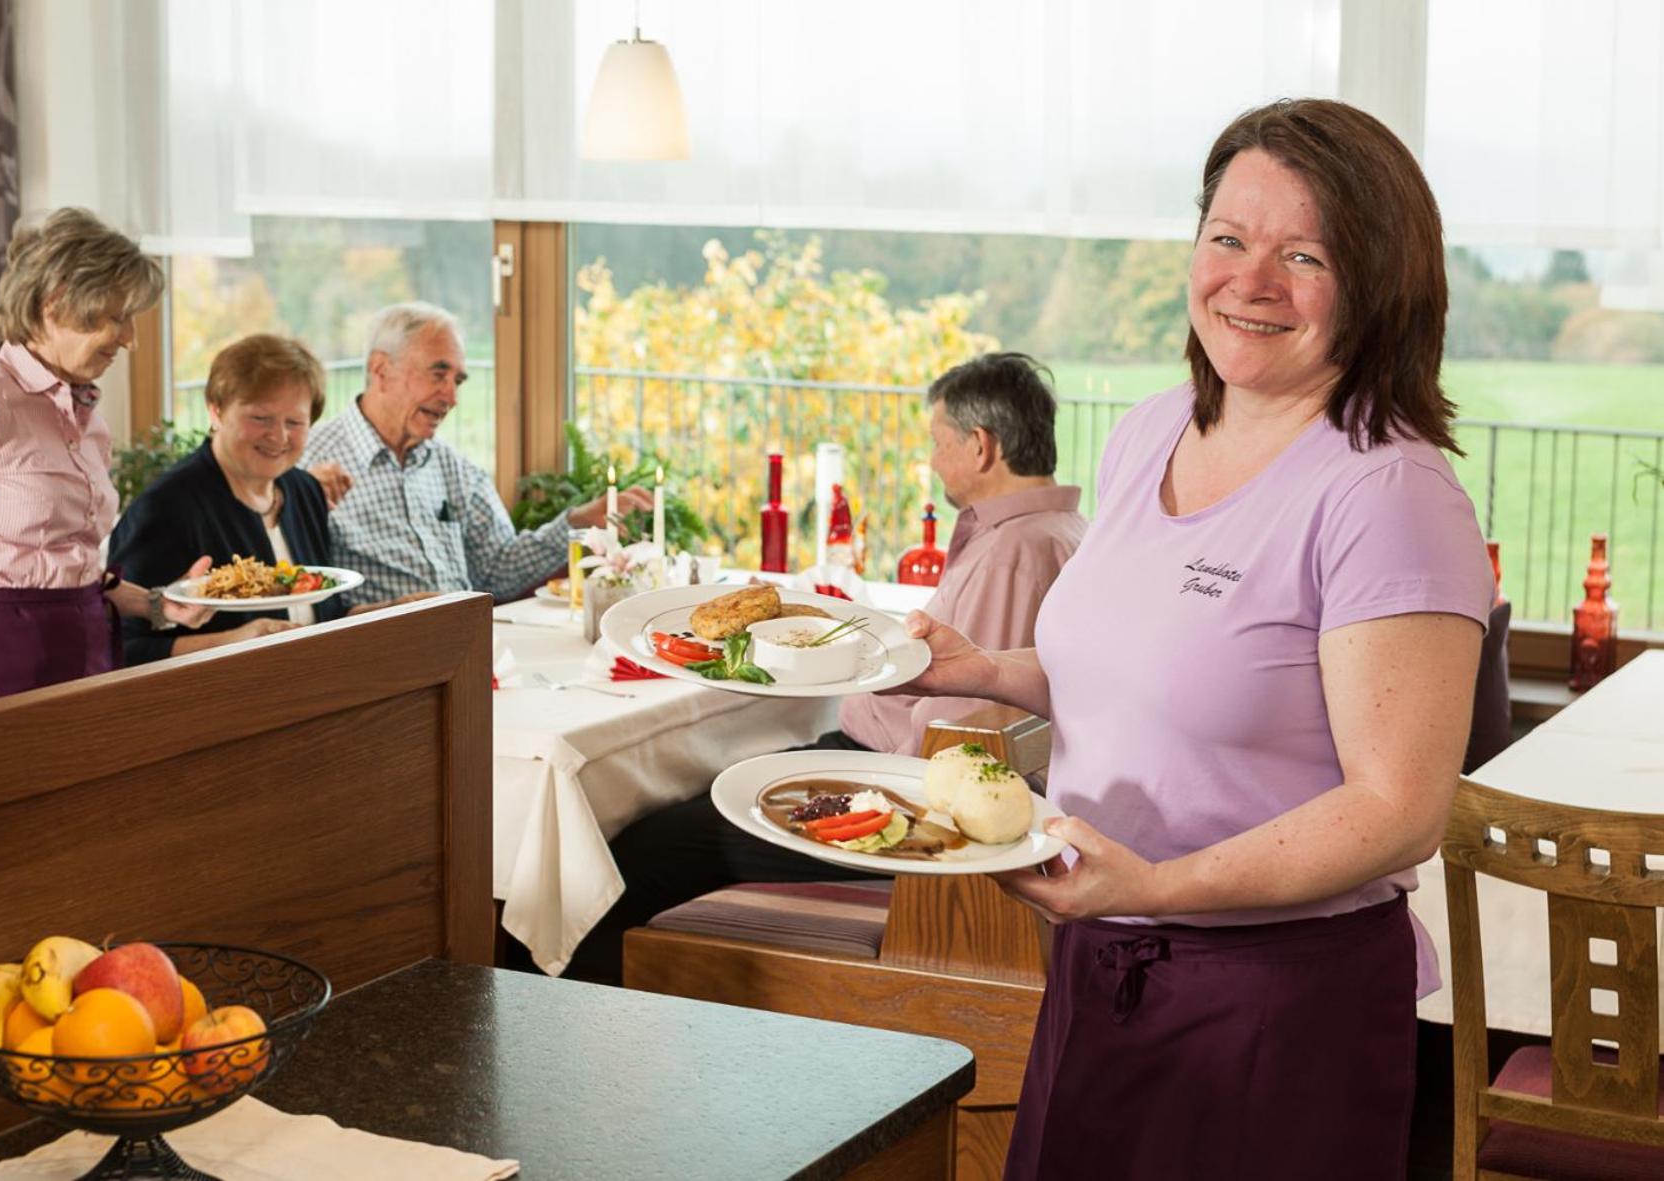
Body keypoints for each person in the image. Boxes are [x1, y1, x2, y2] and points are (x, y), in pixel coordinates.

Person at [902, 100, 1492, 1180]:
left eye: (1303, 256)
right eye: (1227, 237)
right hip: (1100, 957)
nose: (1249, 281)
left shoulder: (1388, 492)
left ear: (1379, 281)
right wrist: (988, 671)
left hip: (1276, 1006)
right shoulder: (1152, 429)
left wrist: (1153, 886)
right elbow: (1154, 677)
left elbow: (1399, 808)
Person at [562, 352, 1088, 980]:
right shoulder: (1062, 529)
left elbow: (956, 741)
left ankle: (572, 1014)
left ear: (980, 446)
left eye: (937, 441)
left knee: (636, 855)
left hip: (891, 789)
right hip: (880, 763)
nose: (931, 460)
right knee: (706, 787)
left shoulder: (1012, 554)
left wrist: (851, 801)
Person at [0, 208, 211, 716]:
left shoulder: (88, 421)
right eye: (117, 317)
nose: (129, 338)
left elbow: (66, 564)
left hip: (84, 645)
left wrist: (158, 605)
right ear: (56, 301)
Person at [300, 302, 651, 606]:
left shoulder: (456, 469)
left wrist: (580, 521)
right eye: (438, 374)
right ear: (381, 370)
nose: (451, 398)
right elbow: (303, 597)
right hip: (376, 653)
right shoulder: (308, 467)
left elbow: (499, 571)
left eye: (457, 381)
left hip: (471, 646)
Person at [111, 334, 434, 663]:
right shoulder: (166, 507)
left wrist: (391, 611)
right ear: (216, 411)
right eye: (260, 418)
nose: (279, 436)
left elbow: (319, 616)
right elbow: (122, 649)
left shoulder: (304, 490)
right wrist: (233, 642)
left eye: (294, 422)